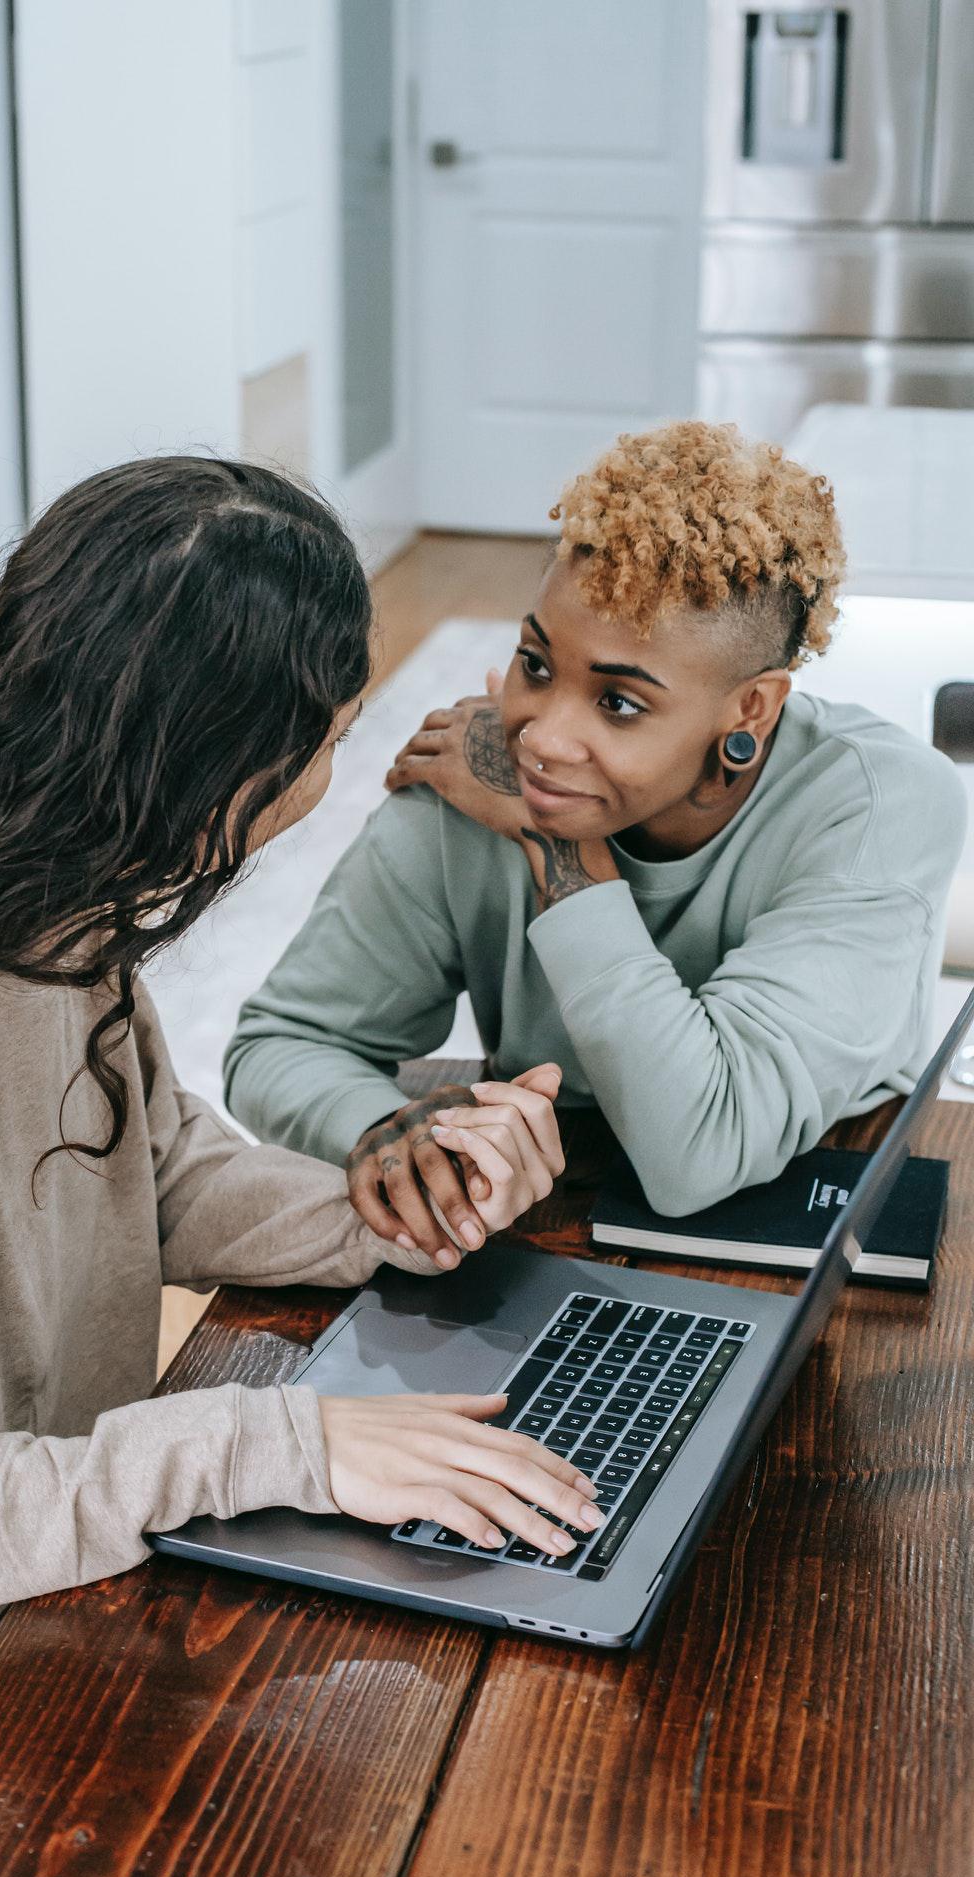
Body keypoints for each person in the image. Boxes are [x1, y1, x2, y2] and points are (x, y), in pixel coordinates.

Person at [0, 459, 596, 1877]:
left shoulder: (45, 904)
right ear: (212, 765)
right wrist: (277, 1444)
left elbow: (155, 1170)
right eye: (326, 727)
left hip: (37, 1586)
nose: (345, 751)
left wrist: (398, 1215)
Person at [225, 421, 967, 1256]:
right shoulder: (469, 785)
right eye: (536, 666)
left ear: (749, 711)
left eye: (618, 703)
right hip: (550, 1216)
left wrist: (558, 850)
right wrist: (389, 1136)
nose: (540, 738)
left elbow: (701, 1149)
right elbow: (282, 1043)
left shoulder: (880, 804)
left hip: (834, 1215)